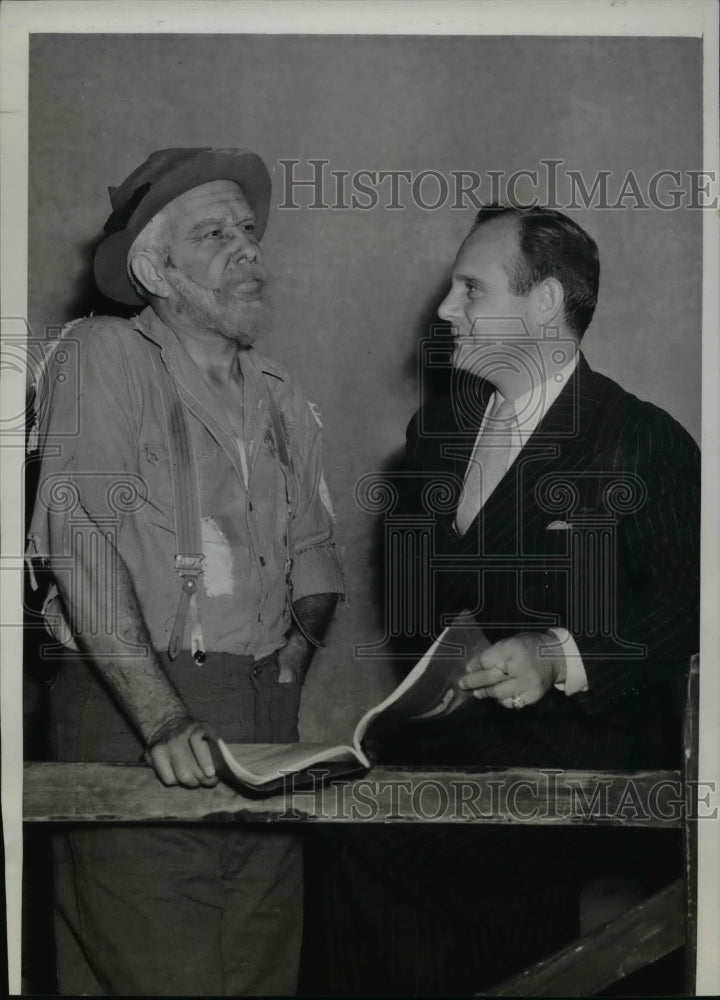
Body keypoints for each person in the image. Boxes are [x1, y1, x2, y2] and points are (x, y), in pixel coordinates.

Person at [300, 205, 700, 996]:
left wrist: (558, 655)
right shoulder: (437, 428)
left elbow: (693, 602)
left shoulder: (642, 438)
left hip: (581, 766)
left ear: (546, 302)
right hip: (449, 748)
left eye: (470, 290)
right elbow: (418, 601)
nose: (446, 311)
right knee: (359, 845)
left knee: (389, 858)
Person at [26, 147, 345, 996]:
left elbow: (318, 558)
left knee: (260, 975)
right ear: (156, 269)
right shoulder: (100, 357)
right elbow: (79, 540)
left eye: (247, 229)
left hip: (266, 732)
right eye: (213, 233)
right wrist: (164, 719)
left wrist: (295, 659)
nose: (247, 246)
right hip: (136, 714)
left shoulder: (281, 391)